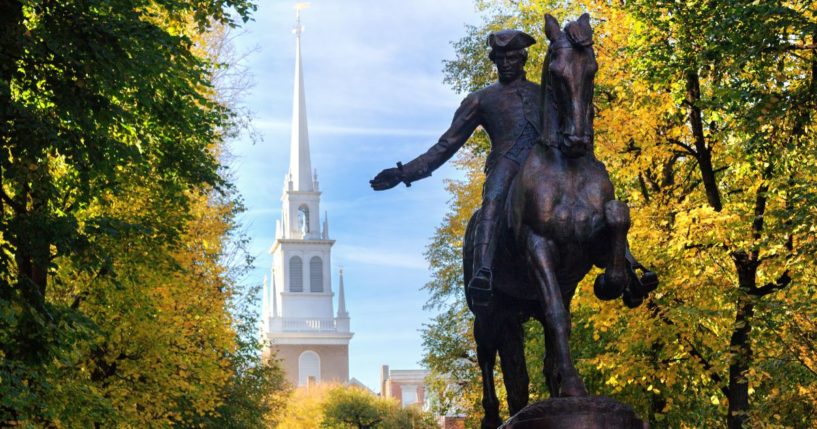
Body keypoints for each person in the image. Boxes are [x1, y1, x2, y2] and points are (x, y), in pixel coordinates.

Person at [370, 29, 541, 306]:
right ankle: (484, 268)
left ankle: (624, 260)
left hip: (544, 164)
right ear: (494, 61)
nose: (506, 63)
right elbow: (446, 145)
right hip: (507, 163)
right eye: (500, 58)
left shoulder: (543, 94)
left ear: (523, 58)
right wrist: (403, 173)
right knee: (494, 199)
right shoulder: (481, 99)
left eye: (512, 57)